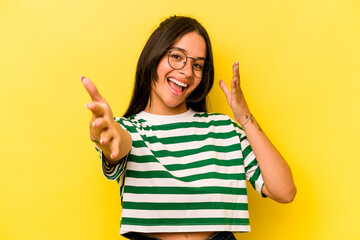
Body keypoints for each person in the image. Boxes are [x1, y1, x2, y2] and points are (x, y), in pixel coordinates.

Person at [81, 16, 296, 240]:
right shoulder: (127, 130)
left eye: (198, 65)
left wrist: (245, 117)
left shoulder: (224, 129)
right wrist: (105, 136)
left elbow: (285, 191)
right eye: (176, 57)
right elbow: (120, 144)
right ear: (153, 57)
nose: (187, 72)